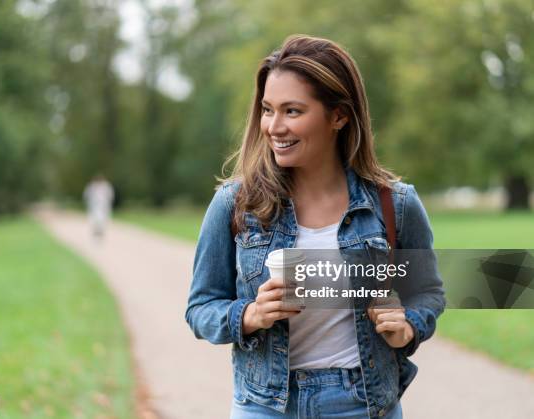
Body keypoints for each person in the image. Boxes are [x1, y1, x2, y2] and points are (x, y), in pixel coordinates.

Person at [185, 34, 445, 419]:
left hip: (363, 404)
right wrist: (249, 315)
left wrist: (408, 326)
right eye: (268, 109)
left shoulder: (395, 204)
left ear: (338, 115)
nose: (274, 126)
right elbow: (200, 308)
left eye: (292, 111)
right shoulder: (235, 203)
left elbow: (427, 293)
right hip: (265, 407)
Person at [83, 174, 114, 238]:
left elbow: (110, 196)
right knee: (94, 218)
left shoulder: (106, 186)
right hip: (94, 206)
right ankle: (96, 230)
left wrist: (107, 204)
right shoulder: (92, 186)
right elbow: (86, 195)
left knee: (103, 219)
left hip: (103, 206)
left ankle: (101, 231)